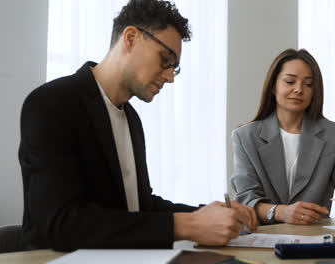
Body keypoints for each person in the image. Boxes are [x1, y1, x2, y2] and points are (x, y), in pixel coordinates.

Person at [18, 0, 256, 251]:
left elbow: (139, 207)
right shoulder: (52, 104)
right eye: (165, 59)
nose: (169, 77)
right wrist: (186, 225)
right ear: (130, 38)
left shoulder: (131, 118)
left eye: (175, 67)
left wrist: (207, 214)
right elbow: (60, 224)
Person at [230, 49, 335, 225]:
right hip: (263, 239)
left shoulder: (334, 134)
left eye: (308, 84)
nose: (299, 89)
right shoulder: (245, 137)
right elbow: (247, 198)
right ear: (273, 86)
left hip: (315, 240)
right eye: (290, 81)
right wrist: (280, 212)